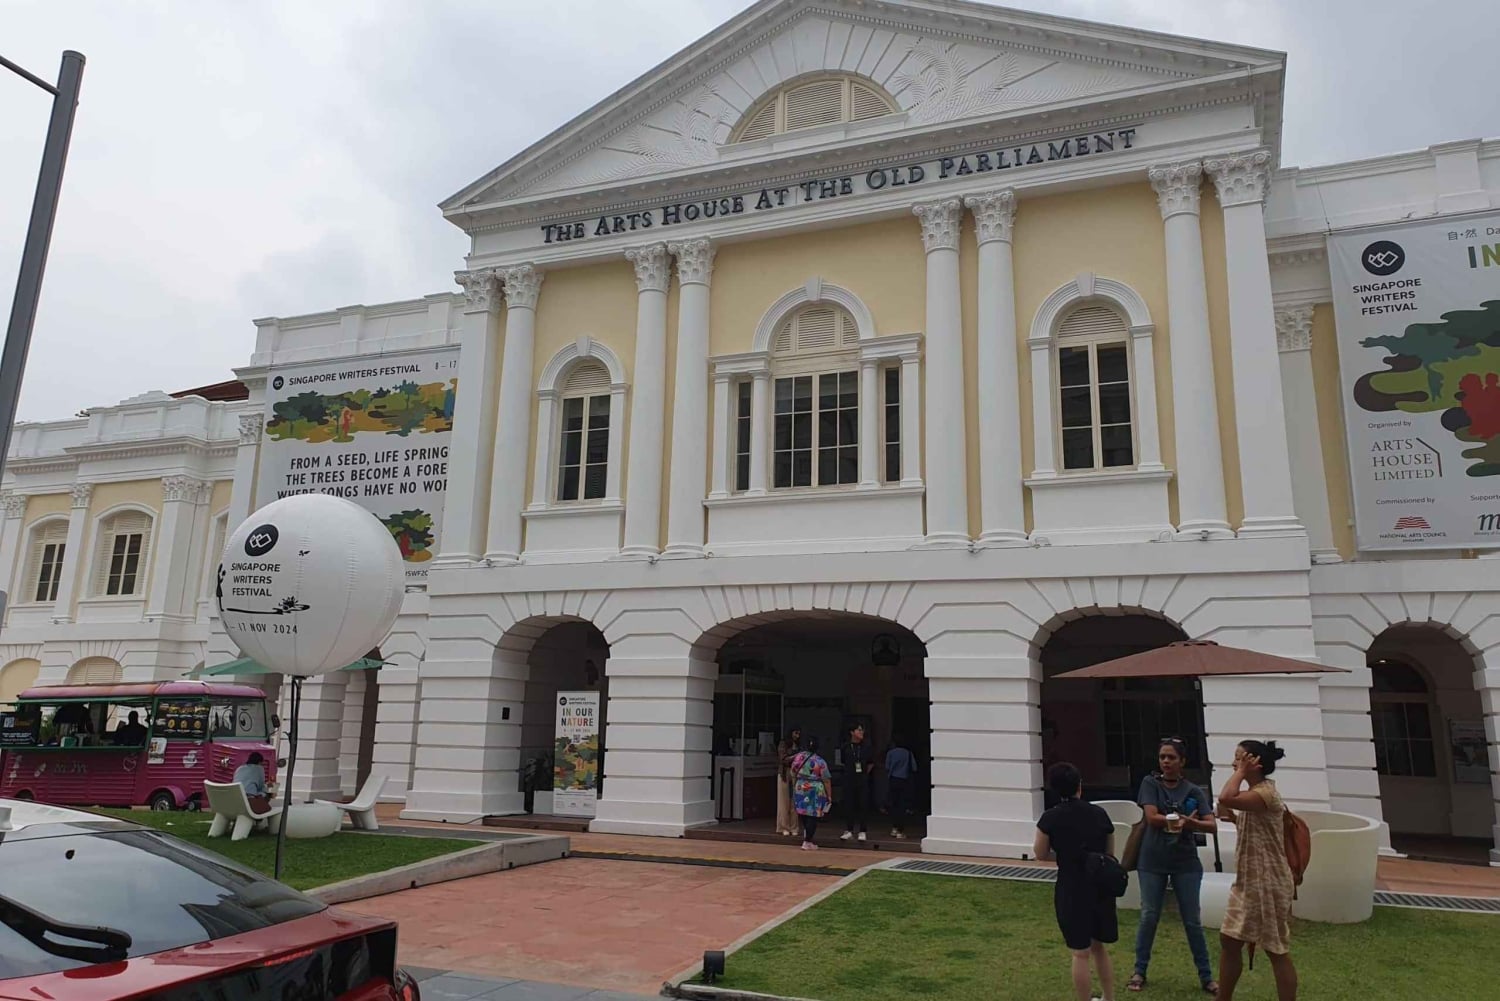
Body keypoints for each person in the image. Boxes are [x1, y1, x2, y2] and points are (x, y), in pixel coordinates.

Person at [1128, 738, 1217, 995]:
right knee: (1149, 915)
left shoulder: (1193, 791)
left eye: (1171, 758)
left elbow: (1211, 825)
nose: (1166, 762)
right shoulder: (1150, 784)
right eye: (1162, 757)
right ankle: (1139, 971)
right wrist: (1177, 820)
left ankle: (1206, 977)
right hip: (1152, 860)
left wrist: (1190, 824)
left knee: (1192, 920)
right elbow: (1152, 817)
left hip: (1185, 862)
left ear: (1182, 762)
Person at [1216, 740, 1296, 1001]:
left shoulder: (1265, 793)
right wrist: (1236, 820)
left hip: (1268, 881)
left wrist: (1239, 773)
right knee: (1229, 940)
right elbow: (1231, 806)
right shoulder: (1254, 793)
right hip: (1249, 882)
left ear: (1254, 763)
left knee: (1275, 948)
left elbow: (1226, 797)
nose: (1234, 764)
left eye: (1240, 759)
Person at [1036, 762, 1118, 1001]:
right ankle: (1109, 997)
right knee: (1099, 947)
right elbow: (1110, 852)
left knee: (1080, 953)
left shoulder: (1050, 818)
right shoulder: (1099, 814)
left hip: (1071, 886)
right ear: (1079, 786)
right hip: (1100, 886)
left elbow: (1040, 854)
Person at [790, 737, 832, 851]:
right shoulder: (820, 761)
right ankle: (807, 840)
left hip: (801, 786)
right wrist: (829, 795)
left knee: (803, 813)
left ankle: (807, 837)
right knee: (813, 815)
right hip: (815, 789)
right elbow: (826, 779)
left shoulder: (798, 757)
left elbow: (793, 770)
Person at [839, 723, 875, 841]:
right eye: (858, 730)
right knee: (849, 804)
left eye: (862, 730)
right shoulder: (846, 747)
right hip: (849, 778)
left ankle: (862, 830)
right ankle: (849, 830)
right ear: (852, 732)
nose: (861, 732)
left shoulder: (866, 746)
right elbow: (843, 761)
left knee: (863, 804)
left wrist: (864, 774)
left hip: (862, 778)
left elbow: (871, 762)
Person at [884, 734, 917, 839]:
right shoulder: (908, 753)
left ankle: (893, 827)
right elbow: (914, 767)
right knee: (902, 805)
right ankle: (900, 830)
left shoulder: (891, 753)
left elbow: (887, 767)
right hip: (904, 780)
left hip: (893, 779)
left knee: (893, 804)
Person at [776, 727, 803, 837]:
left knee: (795, 801)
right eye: (796, 733)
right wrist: (795, 757)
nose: (798, 735)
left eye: (799, 733)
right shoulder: (783, 744)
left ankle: (794, 827)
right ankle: (784, 826)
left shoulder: (800, 745)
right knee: (783, 801)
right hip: (784, 773)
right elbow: (782, 759)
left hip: (796, 773)